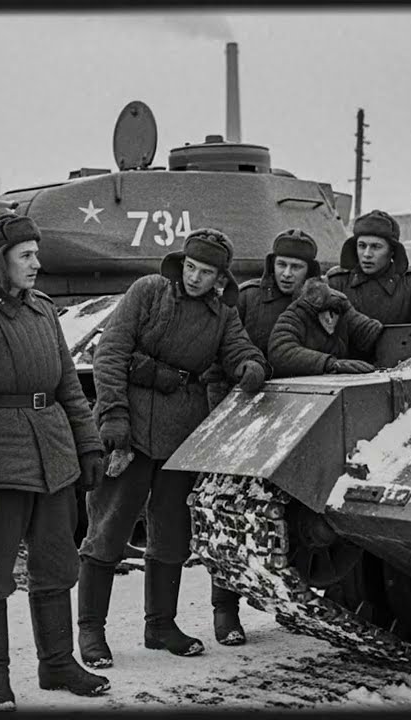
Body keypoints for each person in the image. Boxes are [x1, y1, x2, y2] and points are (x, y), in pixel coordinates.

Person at [0, 213, 111, 712]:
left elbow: (68, 387)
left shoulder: (44, 310)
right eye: (25, 255)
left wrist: (88, 446)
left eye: (36, 253)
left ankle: (58, 663)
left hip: (53, 460)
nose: (36, 263)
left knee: (57, 567)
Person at [79, 228, 270, 668]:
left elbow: (239, 348)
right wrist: (113, 417)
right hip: (129, 429)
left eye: (206, 272)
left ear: (220, 278)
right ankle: (91, 631)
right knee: (107, 530)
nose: (195, 278)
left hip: (182, 436)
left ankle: (160, 626)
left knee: (171, 535)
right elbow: (110, 352)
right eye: (191, 267)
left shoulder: (222, 313)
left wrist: (252, 366)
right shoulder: (149, 291)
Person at [203, 227, 320, 646]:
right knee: (233, 516)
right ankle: (225, 609)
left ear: (310, 270)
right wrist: (224, 415)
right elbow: (218, 357)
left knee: (297, 517)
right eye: (282, 264)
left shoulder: (321, 302)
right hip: (247, 415)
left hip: (304, 419)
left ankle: (294, 600)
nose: (287, 273)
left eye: (296, 266)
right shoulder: (250, 298)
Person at [269, 277, 387, 377]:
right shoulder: (293, 316)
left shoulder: (339, 307)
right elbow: (280, 353)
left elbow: (367, 331)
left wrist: (381, 334)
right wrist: (329, 363)